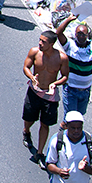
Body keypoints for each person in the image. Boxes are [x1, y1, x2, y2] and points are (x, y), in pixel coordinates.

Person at [56, 12, 92, 122]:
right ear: (75, 35)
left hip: (85, 91)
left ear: (87, 36)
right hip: (71, 89)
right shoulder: (69, 46)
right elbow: (58, 33)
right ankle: (63, 134)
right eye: (79, 34)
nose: (81, 37)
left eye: (84, 35)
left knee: (79, 118)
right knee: (70, 119)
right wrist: (68, 20)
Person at [23, 30, 69, 163]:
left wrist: (55, 84)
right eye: (40, 40)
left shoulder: (61, 58)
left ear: (52, 44)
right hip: (34, 91)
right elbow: (26, 66)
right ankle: (26, 131)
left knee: (45, 123)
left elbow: (65, 76)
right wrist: (32, 77)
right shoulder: (34, 52)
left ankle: (39, 152)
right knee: (29, 117)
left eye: (44, 42)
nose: (40, 43)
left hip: (49, 96)